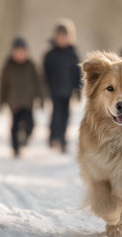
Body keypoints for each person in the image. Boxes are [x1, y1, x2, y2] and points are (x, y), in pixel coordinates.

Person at [0, 36, 44, 158]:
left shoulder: (31, 65)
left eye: (22, 52)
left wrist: (41, 98)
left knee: (30, 124)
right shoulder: (8, 66)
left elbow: (38, 83)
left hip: (28, 102)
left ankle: (24, 139)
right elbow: (3, 85)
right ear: (12, 52)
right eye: (17, 52)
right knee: (15, 125)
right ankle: (15, 148)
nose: (20, 54)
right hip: (14, 102)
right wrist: (1, 102)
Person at [43, 18, 81, 153]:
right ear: (55, 36)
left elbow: (78, 73)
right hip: (54, 89)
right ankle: (53, 137)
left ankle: (63, 139)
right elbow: (44, 73)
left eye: (65, 36)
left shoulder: (73, 54)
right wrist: (44, 90)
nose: (62, 39)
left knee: (65, 115)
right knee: (56, 114)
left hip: (68, 90)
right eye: (60, 36)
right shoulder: (50, 55)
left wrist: (79, 90)